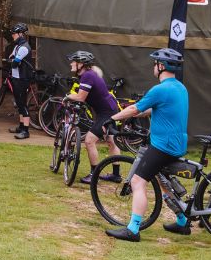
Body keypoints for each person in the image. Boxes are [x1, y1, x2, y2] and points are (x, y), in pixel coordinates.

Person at [104, 48, 189, 242]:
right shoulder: (179, 87)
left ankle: (133, 229)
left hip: (163, 146)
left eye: (155, 64)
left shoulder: (160, 89)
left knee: (137, 182)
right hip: (177, 143)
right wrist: (137, 113)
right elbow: (153, 109)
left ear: (161, 66)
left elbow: (134, 107)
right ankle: (182, 220)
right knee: (163, 181)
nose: (153, 67)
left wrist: (112, 118)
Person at [64, 50, 122, 184]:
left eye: (74, 61)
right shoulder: (89, 74)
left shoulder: (88, 76)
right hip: (109, 109)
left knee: (89, 141)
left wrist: (68, 96)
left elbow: (80, 98)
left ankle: (93, 175)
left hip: (106, 112)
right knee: (111, 141)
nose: (71, 63)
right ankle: (116, 175)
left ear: (81, 64)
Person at [7, 23, 34, 139]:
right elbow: (10, 57)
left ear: (20, 34)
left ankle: (26, 131)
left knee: (23, 104)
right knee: (19, 104)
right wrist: (13, 60)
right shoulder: (17, 46)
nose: (12, 35)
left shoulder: (23, 47)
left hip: (23, 79)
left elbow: (14, 63)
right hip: (16, 78)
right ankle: (21, 126)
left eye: (14, 33)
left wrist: (13, 60)